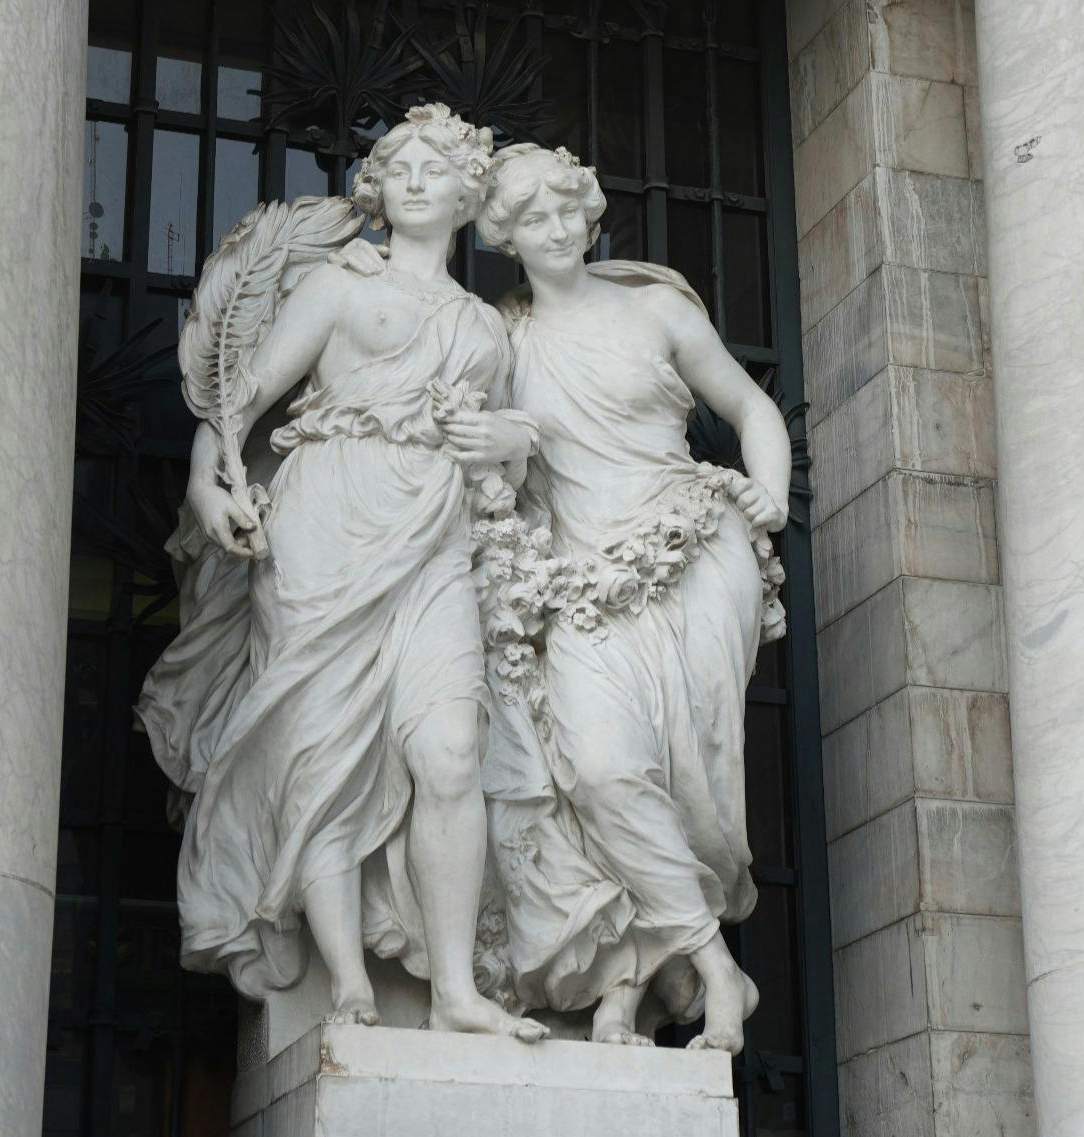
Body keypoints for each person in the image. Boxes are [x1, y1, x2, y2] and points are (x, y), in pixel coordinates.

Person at [135, 105, 545, 1041]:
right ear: (377, 188)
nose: (415, 180)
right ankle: (349, 980)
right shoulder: (338, 285)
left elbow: (516, 466)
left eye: (435, 167)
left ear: (467, 193)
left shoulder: (484, 325)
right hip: (325, 523)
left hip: (435, 536)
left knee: (449, 749)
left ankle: (455, 991)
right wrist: (205, 482)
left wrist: (506, 439)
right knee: (324, 748)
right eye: (399, 166)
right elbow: (240, 403)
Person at [474, 143, 791, 1052]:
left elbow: (752, 408)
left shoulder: (656, 310)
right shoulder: (503, 340)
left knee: (689, 780)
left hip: (692, 554)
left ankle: (631, 988)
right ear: (506, 237)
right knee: (602, 772)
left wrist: (768, 495)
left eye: (567, 209)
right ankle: (717, 971)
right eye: (533, 218)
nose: (556, 228)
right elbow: (496, 470)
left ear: (589, 214)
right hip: (581, 580)